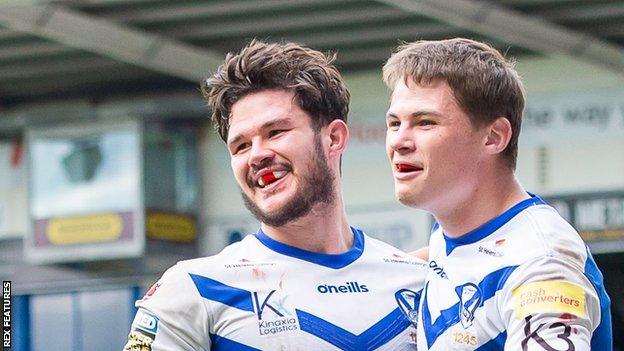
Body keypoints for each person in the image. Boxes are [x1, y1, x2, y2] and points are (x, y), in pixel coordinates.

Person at [123, 40, 427, 351]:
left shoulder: (421, 284)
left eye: (275, 132)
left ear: (333, 138)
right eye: (241, 146)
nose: (256, 155)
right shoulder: (196, 289)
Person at [383, 38, 612, 350]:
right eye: (394, 123)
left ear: (494, 137)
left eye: (425, 122)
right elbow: (461, 256)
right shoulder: (459, 229)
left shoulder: (543, 265)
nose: (399, 141)